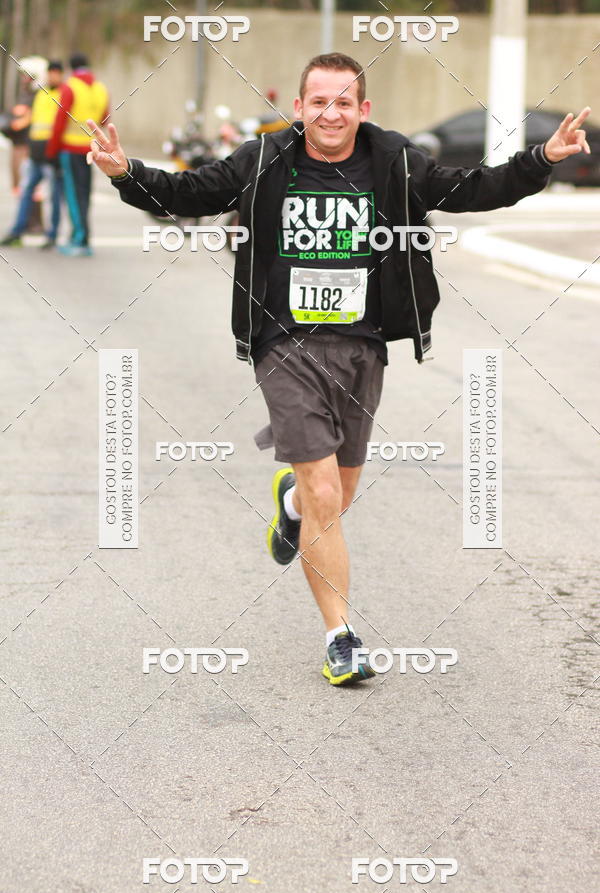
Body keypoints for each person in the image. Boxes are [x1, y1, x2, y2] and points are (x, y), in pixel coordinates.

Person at [87, 53, 591, 687]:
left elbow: (472, 190)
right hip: (284, 341)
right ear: (299, 108)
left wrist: (541, 160)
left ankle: (292, 505)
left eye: (344, 103)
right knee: (329, 493)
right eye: (319, 102)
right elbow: (191, 193)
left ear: (363, 110)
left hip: (362, 343)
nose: (331, 114)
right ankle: (340, 637)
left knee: (336, 496)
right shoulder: (264, 159)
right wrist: (125, 172)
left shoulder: (395, 162)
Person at [45, 53, 109, 256]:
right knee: (85, 194)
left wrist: (51, 151)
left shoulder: (70, 86)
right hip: (91, 149)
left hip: (70, 150)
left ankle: (79, 239)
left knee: (73, 195)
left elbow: (60, 121)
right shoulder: (100, 88)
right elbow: (105, 119)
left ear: (71, 68)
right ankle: (84, 236)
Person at [1, 61, 65, 249]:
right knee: (26, 191)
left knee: (54, 195)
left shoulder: (62, 94)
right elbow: (31, 122)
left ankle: (51, 235)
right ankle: (17, 232)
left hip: (51, 155)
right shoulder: (40, 95)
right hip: (35, 153)